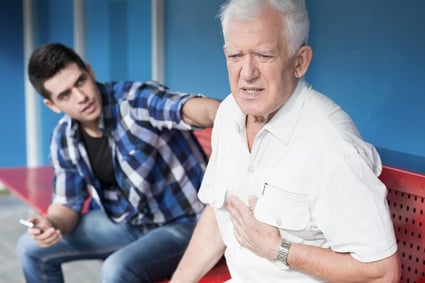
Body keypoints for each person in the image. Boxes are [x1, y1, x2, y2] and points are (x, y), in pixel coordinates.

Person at [170, 0, 401, 282]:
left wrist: (279, 249)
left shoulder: (330, 144)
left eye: (264, 56)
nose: (247, 73)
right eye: (235, 56)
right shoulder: (230, 112)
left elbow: (382, 273)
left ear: (300, 61)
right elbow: (220, 214)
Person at [16, 42, 220, 283]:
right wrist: (50, 223)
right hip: (129, 222)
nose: (81, 97)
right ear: (52, 105)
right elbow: (66, 206)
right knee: (29, 247)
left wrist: (230, 115)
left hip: (185, 225)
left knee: (116, 269)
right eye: (65, 95)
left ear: (90, 72)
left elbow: (186, 109)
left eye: (80, 81)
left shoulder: (133, 101)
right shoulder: (64, 138)